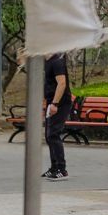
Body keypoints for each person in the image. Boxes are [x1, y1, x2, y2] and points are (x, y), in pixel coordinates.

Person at [41, 50, 73, 180]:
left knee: (53, 134)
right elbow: (48, 84)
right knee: (49, 136)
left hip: (61, 102)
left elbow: (62, 83)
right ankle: (54, 167)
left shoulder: (57, 61)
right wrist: (45, 104)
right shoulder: (47, 61)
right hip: (51, 102)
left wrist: (55, 103)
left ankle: (62, 169)